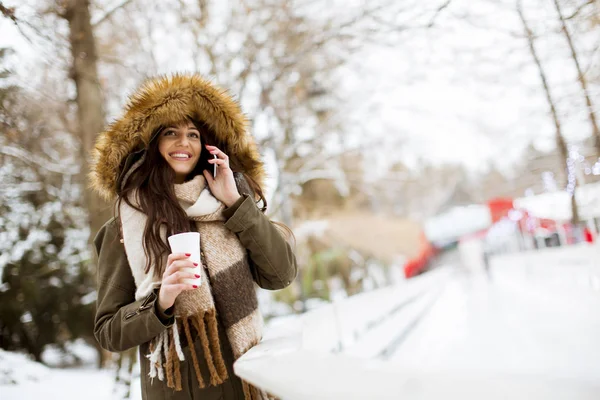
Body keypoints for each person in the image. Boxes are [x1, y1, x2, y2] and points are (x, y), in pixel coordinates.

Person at [90, 73, 297, 400]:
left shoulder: (233, 209)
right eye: (170, 132)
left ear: (207, 146)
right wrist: (160, 302)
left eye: (193, 134)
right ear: (153, 144)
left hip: (247, 385)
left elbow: (281, 275)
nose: (183, 142)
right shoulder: (124, 226)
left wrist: (234, 202)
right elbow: (109, 332)